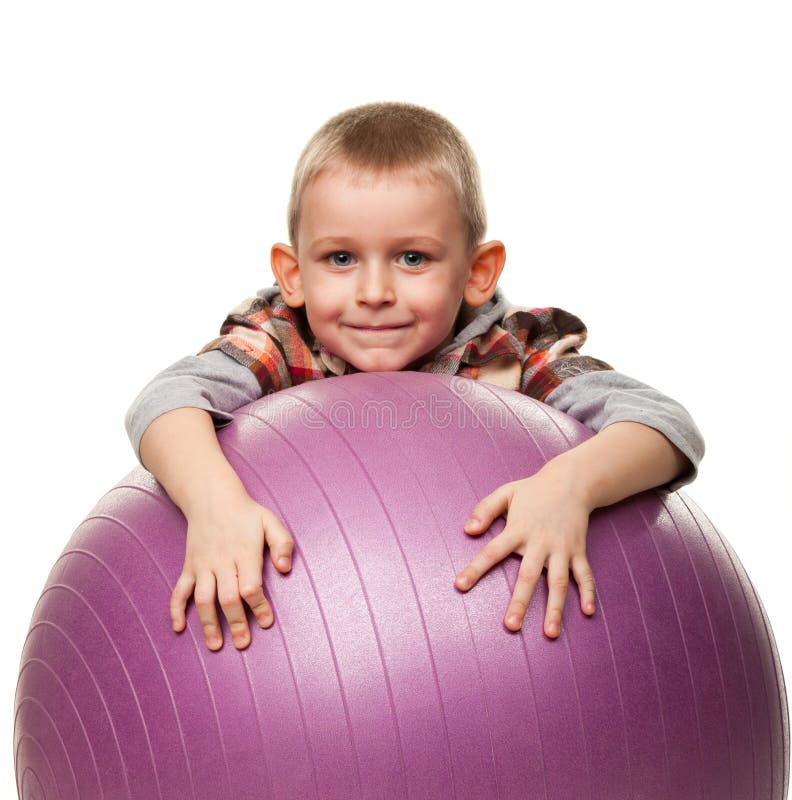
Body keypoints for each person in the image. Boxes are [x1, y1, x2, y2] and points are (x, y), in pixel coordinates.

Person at [126, 101, 704, 653]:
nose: (375, 294)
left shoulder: (515, 349)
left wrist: (571, 485)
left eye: (412, 259)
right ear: (293, 273)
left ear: (478, 273)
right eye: (341, 259)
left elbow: (661, 424)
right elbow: (169, 398)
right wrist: (214, 503)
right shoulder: (281, 338)